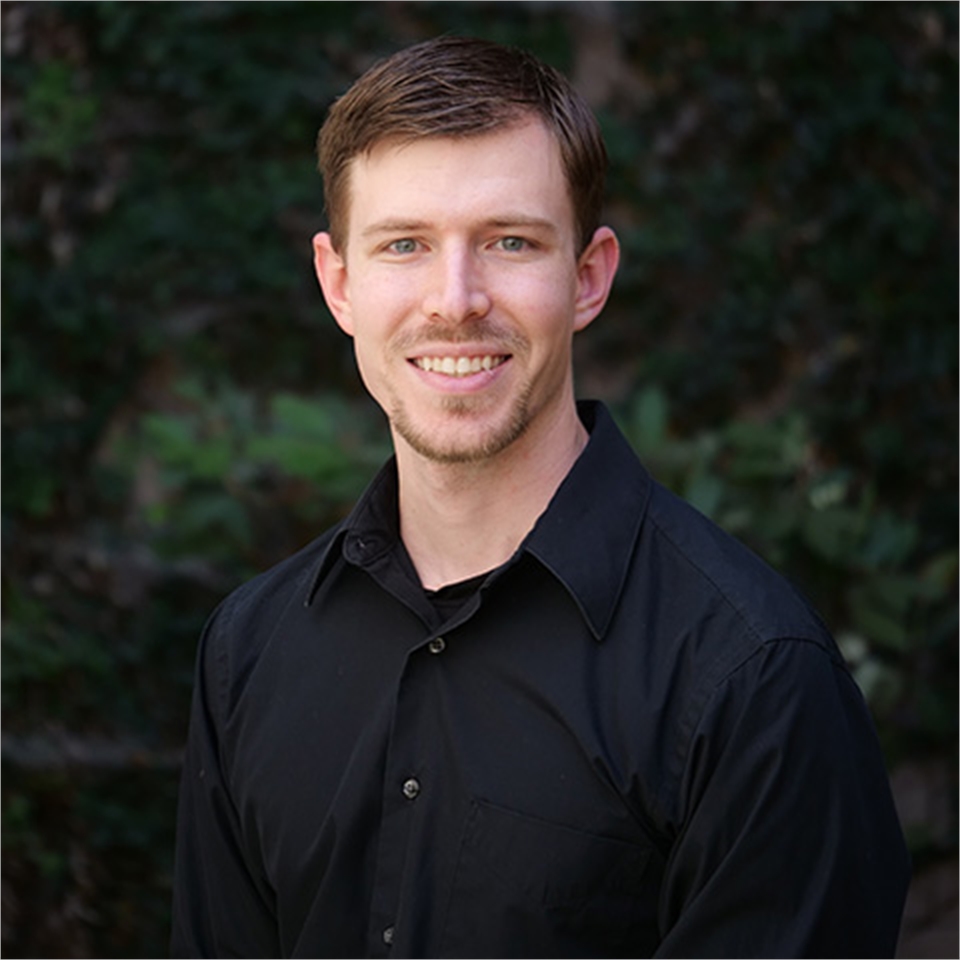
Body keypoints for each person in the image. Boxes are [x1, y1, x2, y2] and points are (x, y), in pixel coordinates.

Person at [170, 35, 910, 959]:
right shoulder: (249, 650)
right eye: (405, 245)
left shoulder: (755, 679)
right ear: (340, 283)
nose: (455, 301)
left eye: (509, 242)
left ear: (588, 278)